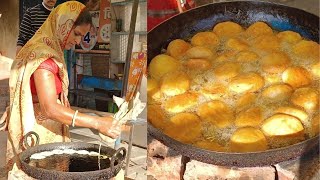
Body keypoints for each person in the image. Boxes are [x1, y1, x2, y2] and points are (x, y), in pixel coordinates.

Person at [5, 1, 121, 178]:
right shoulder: (44, 57)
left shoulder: (53, 52)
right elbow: (49, 108)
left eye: (82, 36)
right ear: (62, 25)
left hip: (51, 128)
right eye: (76, 34)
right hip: (38, 134)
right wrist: (96, 122)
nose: (77, 41)